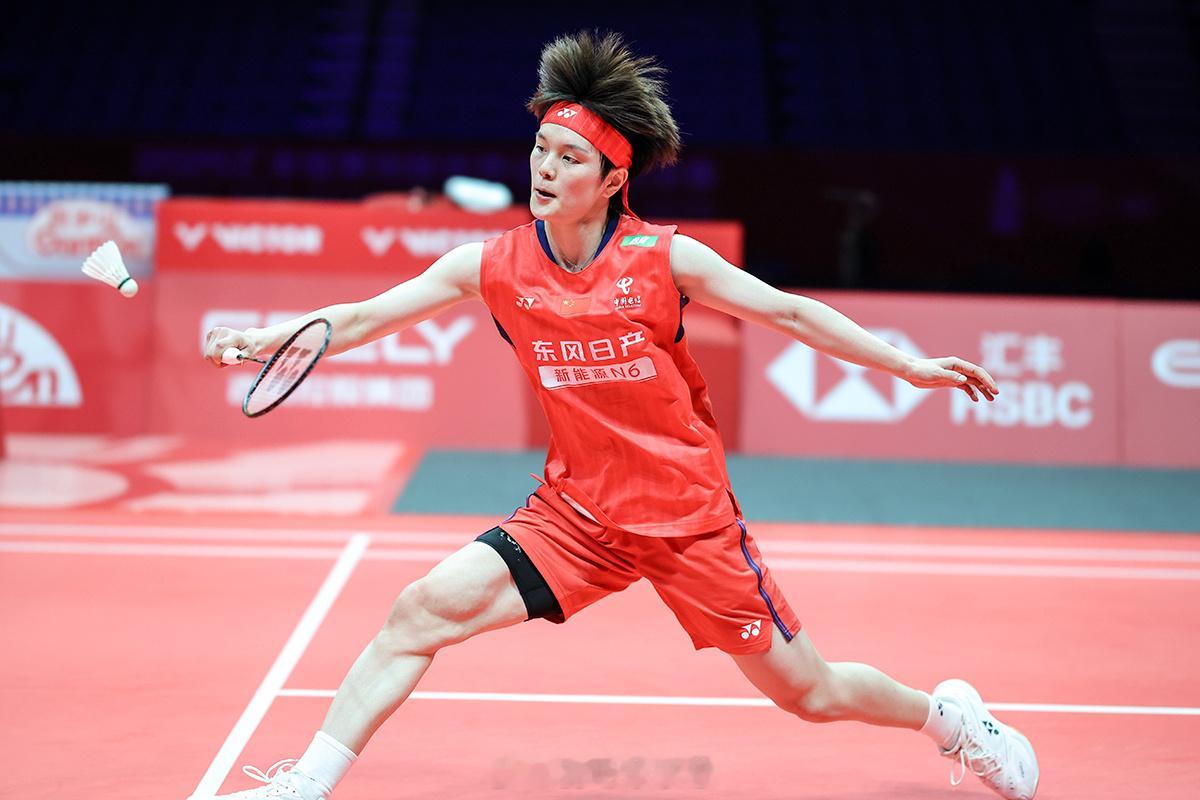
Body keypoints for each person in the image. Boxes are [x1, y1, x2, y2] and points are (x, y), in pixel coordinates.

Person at [195, 30, 1037, 800]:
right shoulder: (494, 266)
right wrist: (262, 341)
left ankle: (951, 720)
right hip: (577, 516)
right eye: (540, 148)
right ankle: (303, 786)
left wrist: (905, 365)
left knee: (810, 694)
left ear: (611, 180)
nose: (545, 168)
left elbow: (787, 311)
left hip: (687, 520)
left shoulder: (662, 259)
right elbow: (358, 319)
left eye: (569, 157)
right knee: (418, 612)